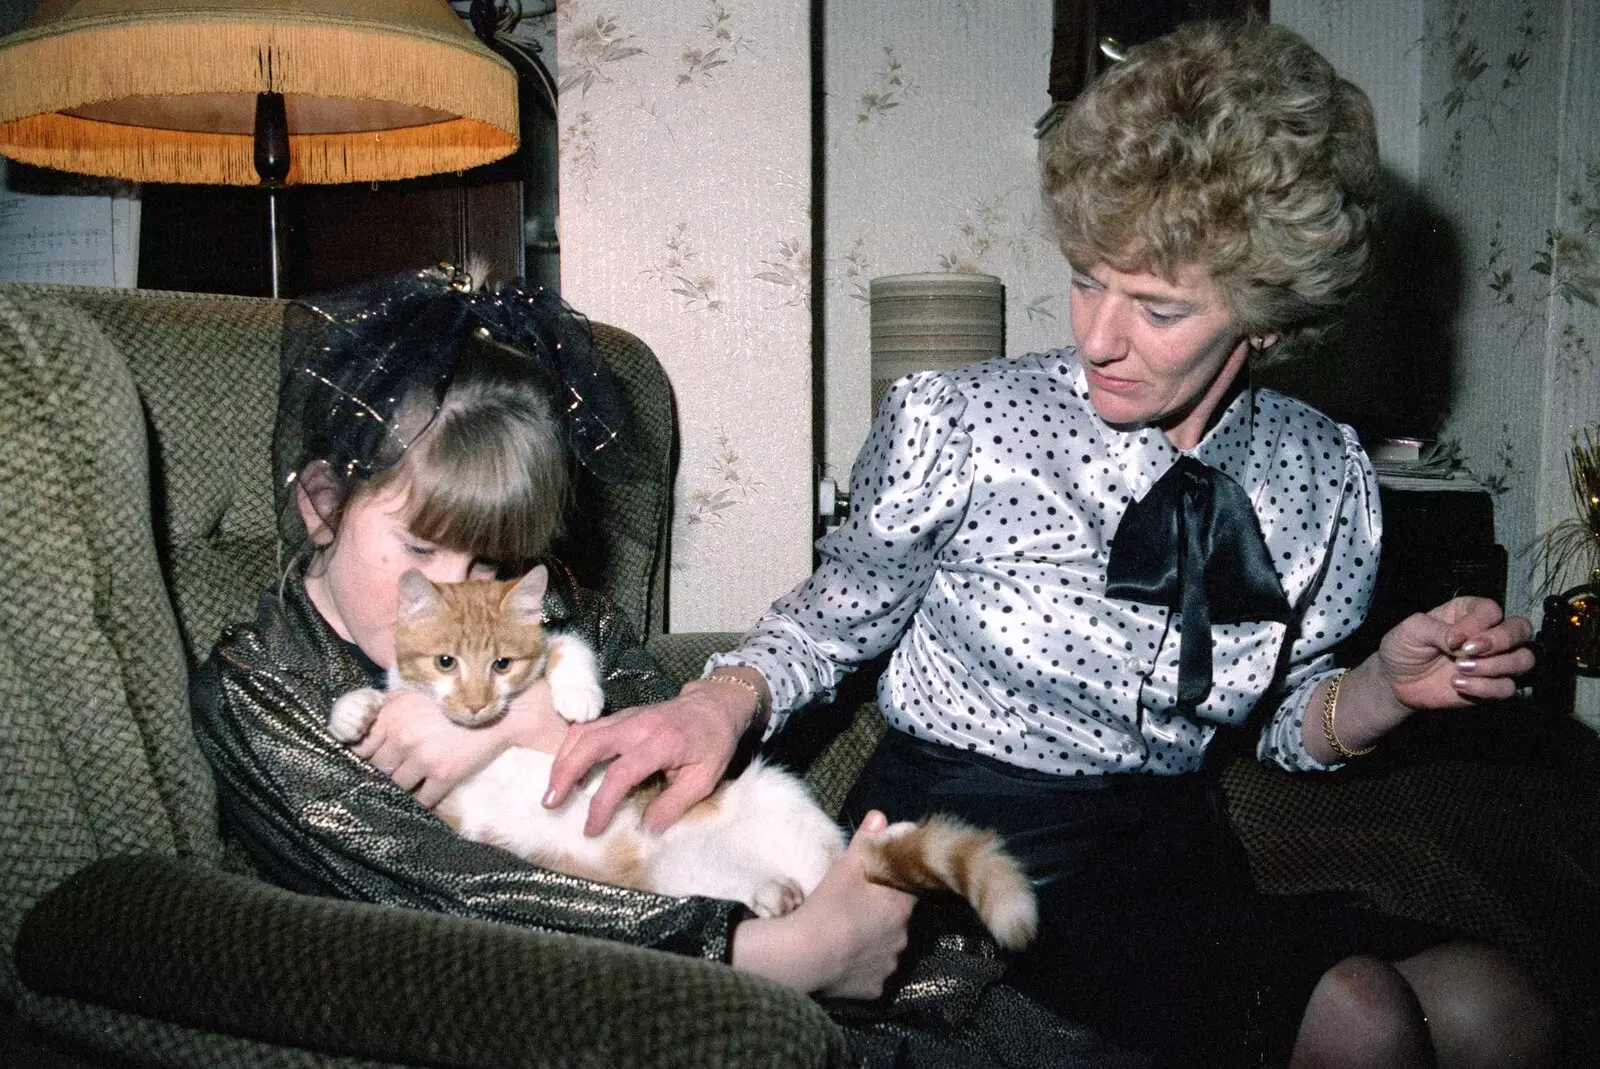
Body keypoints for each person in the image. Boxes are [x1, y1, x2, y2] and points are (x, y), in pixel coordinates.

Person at [540, 21, 1557, 1069]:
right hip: (966, 860)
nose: (1097, 334)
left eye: (1157, 306)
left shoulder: (1321, 477)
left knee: (1496, 1006)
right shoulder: (964, 425)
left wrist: (1383, 689)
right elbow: (831, 621)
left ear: (1266, 318)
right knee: (1363, 1016)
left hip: (1168, 860)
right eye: (1085, 277)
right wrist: (717, 699)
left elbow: (1285, 724)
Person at [191, 265, 1134, 1069]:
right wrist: (778, 953)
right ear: (320, 504)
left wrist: (517, 723)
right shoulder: (264, 687)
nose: (461, 589)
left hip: (733, 901)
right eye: (422, 549)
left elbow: (671, 744)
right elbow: (449, 904)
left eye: (488, 560)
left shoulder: (549, 610)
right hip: (618, 994)